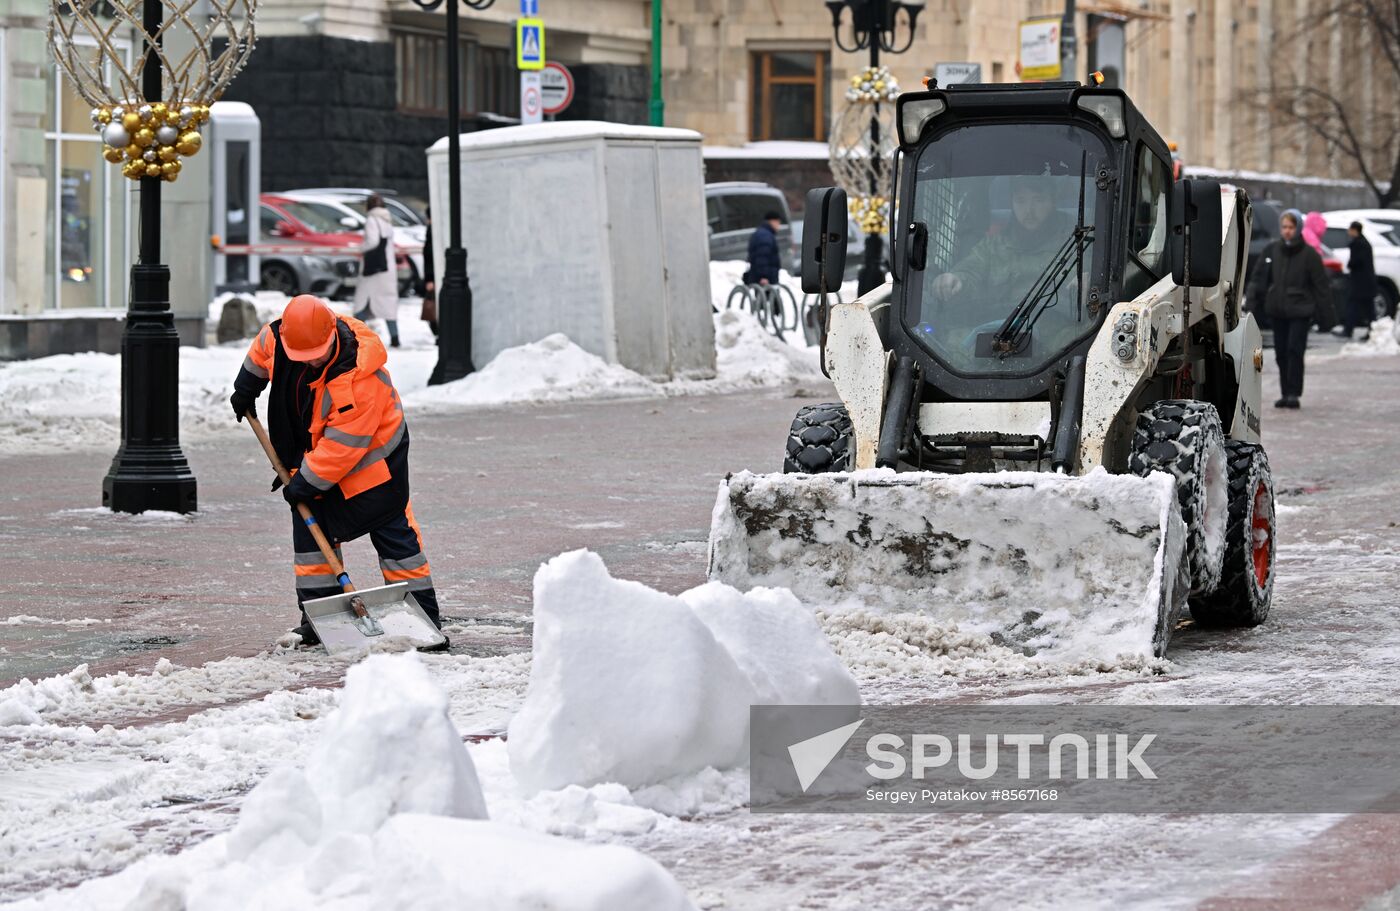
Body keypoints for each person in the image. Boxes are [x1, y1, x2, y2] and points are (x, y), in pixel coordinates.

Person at [229, 294, 444, 648]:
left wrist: (306, 483)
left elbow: (342, 447)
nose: (310, 361)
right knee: (311, 542)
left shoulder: (358, 379)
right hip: (316, 452)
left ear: (330, 338)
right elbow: (262, 350)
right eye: (303, 356)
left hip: (374, 462)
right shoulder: (284, 336)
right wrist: (246, 386)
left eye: (317, 354)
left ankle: (421, 616)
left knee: (393, 533)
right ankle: (318, 617)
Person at [1249, 208, 1330, 409]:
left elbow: (1321, 286)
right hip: (1278, 310)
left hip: (1300, 310)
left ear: (1298, 228)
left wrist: (1326, 316)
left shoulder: (1309, 254)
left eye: (1291, 227)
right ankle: (1285, 392)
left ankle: (1294, 393)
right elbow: (1258, 278)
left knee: (1295, 350)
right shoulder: (1272, 250)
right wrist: (1252, 303)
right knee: (1281, 353)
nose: (1287, 231)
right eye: (1284, 227)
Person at [353, 193, 399, 348]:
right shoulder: (387, 220)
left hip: (373, 270)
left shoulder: (372, 220)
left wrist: (361, 248)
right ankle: (395, 337)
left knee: (362, 302)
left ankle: (355, 336)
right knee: (387, 303)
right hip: (387, 269)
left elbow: (372, 241)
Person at [1334, 220, 1377, 341]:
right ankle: (1370, 330)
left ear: (1355, 230)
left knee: (1357, 306)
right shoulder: (1362, 243)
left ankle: (1351, 330)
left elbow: (1357, 261)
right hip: (1365, 282)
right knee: (1366, 308)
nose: (1348, 232)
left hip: (1361, 282)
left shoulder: (1359, 244)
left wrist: (1350, 264)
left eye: (1350, 230)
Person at [743, 211, 783, 286]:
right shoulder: (765, 236)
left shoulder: (762, 233)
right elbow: (762, 257)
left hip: (761, 277)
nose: (779, 226)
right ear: (773, 221)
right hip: (766, 280)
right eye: (778, 223)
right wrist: (764, 276)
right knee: (767, 297)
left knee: (761, 297)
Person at [420, 206, 438, 338]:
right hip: (436, 274)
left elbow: (429, 256)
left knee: (434, 306)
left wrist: (429, 279)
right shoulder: (435, 230)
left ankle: (438, 332)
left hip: (434, 276)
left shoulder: (432, 231)